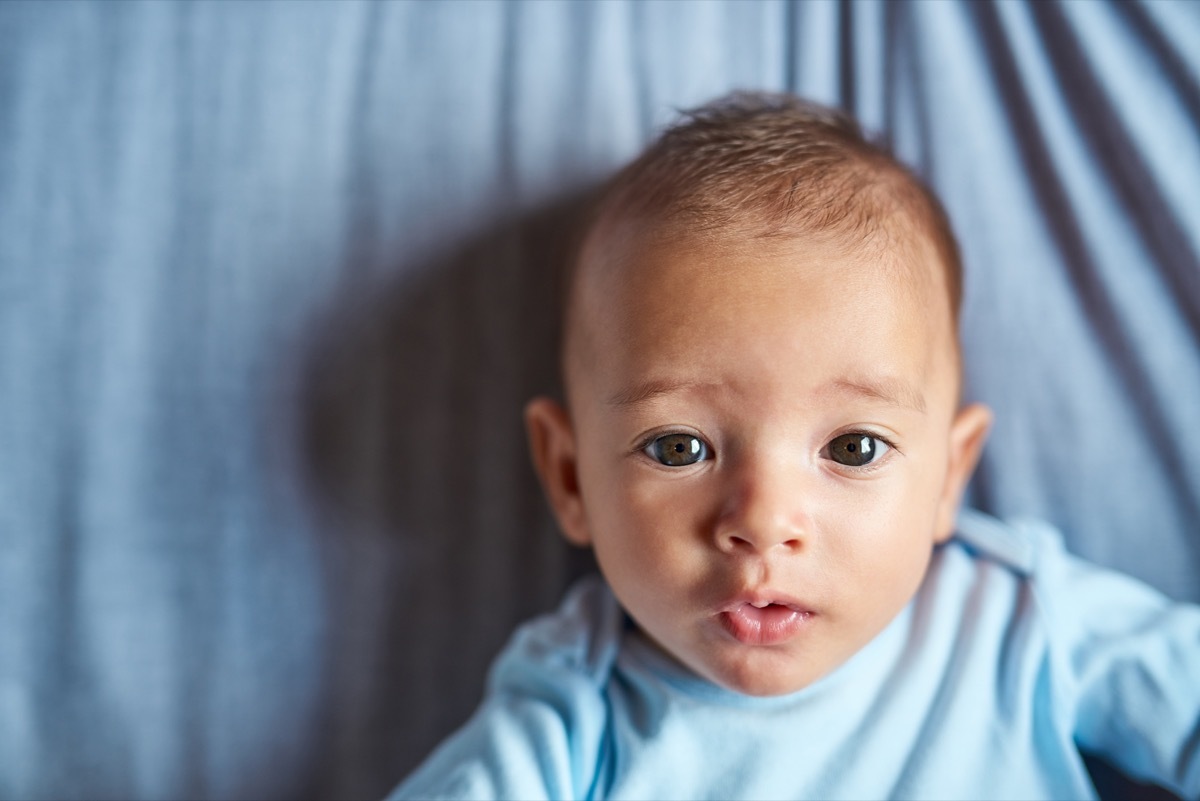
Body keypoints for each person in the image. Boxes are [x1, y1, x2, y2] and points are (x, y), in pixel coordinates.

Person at [391, 92, 1200, 801]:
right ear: (570, 476)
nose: (764, 522)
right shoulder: (574, 710)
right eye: (678, 447)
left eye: (853, 447)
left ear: (950, 475)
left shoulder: (1018, 621)